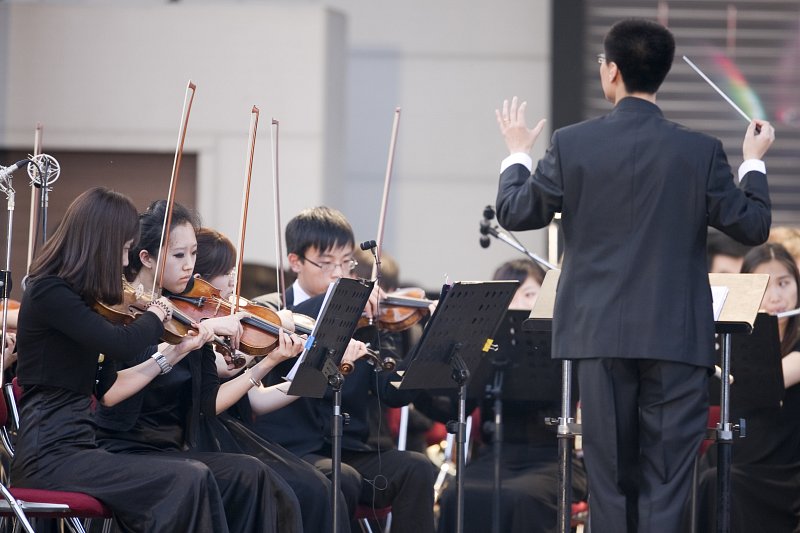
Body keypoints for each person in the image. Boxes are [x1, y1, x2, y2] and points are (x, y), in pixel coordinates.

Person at [493, 18, 774, 532]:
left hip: (598, 335)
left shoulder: (573, 144)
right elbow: (753, 226)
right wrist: (752, 164)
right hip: (676, 339)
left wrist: (517, 152)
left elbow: (515, 212)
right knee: (667, 481)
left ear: (613, 71)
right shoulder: (700, 151)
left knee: (608, 480)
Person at [11, 187, 230, 532]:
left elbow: (109, 387)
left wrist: (176, 351)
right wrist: (158, 312)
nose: (126, 261)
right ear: (101, 242)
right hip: (48, 455)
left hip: (80, 449)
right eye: (125, 249)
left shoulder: (83, 300)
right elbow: (122, 345)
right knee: (187, 479)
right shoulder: (49, 291)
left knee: (194, 477)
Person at [93, 200, 304, 533]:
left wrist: (270, 361)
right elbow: (113, 388)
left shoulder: (192, 315)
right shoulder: (123, 313)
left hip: (171, 449)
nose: (189, 266)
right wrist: (180, 343)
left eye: (193, 254)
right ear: (146, 258)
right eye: (179, 256)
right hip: (124, 448)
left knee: (259, 477)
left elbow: (208, 402)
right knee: (236, 474)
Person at [252, 206, 436, 533]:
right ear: (295, 262)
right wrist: (338, 307)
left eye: (346, 262)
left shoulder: (365, 318)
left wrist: (426, 342)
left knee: (416, 468)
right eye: (326, 263)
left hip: (350, 449)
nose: (339, 273)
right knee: (341, 479)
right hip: (293, 451)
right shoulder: (271, 310)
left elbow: (393, 395)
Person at [193, 226, 353, 533]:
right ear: (200, 280)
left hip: (235, 433)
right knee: (306, 488)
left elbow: (258, 399)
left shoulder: (230, 322)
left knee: (318, 486)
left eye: (232, 272)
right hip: (206, 436)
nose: (232, 282)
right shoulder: (200, 329)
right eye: (226, 273)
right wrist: (267, 353)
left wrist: (316, 369)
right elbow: (220, 372)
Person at [437, 258, 587, 533]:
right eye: (511, 298)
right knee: (454, 497)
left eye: (529, 295)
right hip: (495, 456)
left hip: (553, 458)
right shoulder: (487, 346)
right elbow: (455, 406)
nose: (519, 306)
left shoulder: (566, 340)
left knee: (522, 498)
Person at [696, 243, 800, 532]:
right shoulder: (734, 341)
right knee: (694, 472)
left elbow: (769, 381)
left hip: (780, 473)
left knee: (717, 480)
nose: (776, 296)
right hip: (739, 457)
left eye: (784, 283)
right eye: (765, 285)